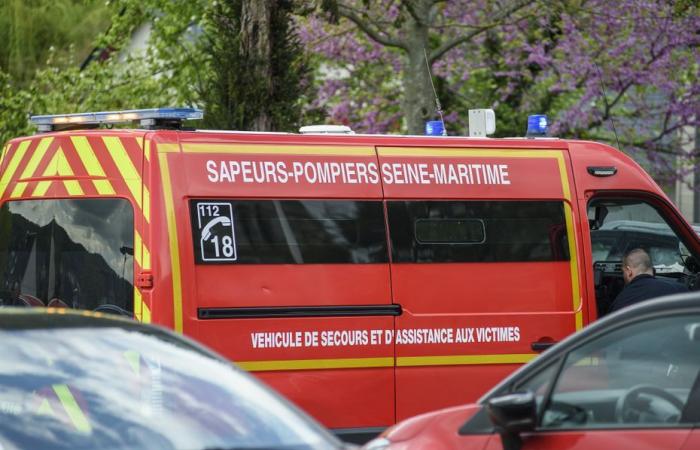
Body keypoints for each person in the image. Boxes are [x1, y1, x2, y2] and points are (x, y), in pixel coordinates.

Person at [609, 248, 688, 313]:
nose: (623, 276)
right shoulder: (680, 291)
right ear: (652, 269)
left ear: (629, 271)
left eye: (623, 272)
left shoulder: (622, 301)